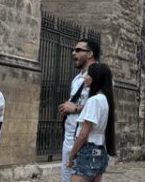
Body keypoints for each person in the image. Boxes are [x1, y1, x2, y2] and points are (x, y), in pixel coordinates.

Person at [67, 62, 116, 182]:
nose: (85, 77)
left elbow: (84, 133)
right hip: (100, 152)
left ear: (96, 78)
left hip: (87, 151)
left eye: (89, 75)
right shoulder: (105, 100)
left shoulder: (94, 100)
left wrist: (71, 155)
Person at [59, 38, 99, 182]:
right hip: (70, 136)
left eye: (78, 50)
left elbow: (101, 108)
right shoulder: (77, 79)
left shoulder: (99, 76)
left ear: (90, 54)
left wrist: (75, 108)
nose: (73, 53)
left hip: (85, 139)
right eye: (73, 50)